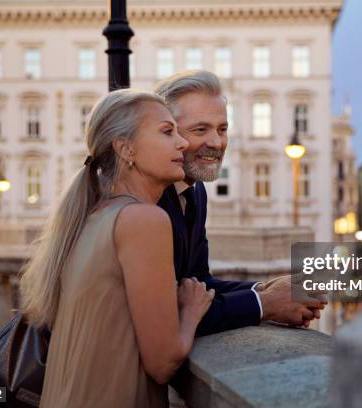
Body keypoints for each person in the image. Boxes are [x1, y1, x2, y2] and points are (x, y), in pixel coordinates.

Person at [19, 89, 214, 407]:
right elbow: (162, 363)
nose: (182, 143)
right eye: (167, 132)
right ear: (126, 149)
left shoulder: (93, 215)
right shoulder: (143, 221)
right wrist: (191, 312)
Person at [155, 70, 325, 336]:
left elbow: (199, 284)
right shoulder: (152, 196)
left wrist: (263, 289)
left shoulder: (195, 190)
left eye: (222, 129)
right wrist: (266, 304)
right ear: (168, 133)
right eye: (201, 129)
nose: (217, 142)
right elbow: (167, 309)